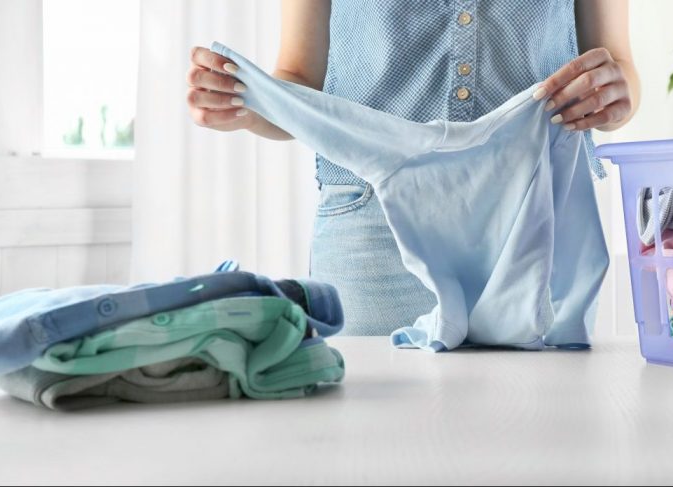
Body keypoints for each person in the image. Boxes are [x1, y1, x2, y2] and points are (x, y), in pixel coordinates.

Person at [185, 0, 640, 336]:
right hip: (371, 234)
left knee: (538, 435)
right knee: (372, 447)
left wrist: (617, 96)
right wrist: (246, 106)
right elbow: (302, 77)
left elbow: (618, 64)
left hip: (535, 220)